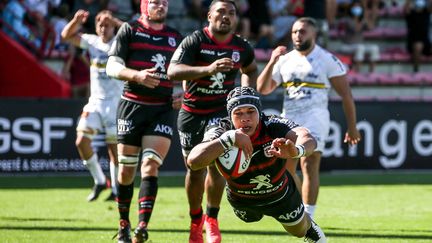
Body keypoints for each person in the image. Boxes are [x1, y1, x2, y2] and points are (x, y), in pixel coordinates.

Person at [167, 1, 258, 242]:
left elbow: (250, 68)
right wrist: (208, 69)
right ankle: (195, 219)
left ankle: (212, 219)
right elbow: (172, 71)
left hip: (220, 114)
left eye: (231, 13)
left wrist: (246, 97)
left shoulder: (241, 46)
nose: (226, 17)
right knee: (194, 169)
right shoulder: (195, 41)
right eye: (221, 12)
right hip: (192, 114)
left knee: (217, 165)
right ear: (209, 16)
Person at [187, 86, 327, 243]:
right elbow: (193, 161)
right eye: (238, 113)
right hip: (242, 200)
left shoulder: (272, 124)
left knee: (299, 231)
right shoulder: (221, 129)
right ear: (230, 116)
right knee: (251, 218)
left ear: (259, 112)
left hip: (280, 195)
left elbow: (307, 137)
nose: (245, 118)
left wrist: (297, 151)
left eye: (250, 111)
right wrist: (228, 140)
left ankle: (310, 228)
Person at [257, 17, 361, 220]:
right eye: (295, 32)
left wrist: (352, 126)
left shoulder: (327, 60)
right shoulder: (285, 60)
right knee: (287, 169)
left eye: (303, 31)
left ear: (314, 34)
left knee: (310, 163)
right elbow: (263, 88)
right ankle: (297, 210)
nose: (298, 35)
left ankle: (309, 215)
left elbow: (346, 94)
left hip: (316, 118)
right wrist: (271, 62)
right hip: (290, 120)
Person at [105, 0, 183, 242]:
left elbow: (186, 72)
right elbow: (112, 66)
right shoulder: (129, 30)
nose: (160, 6)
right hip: (132, 107)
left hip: (162, 109)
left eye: (164, 2)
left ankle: (141, 227)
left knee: (150, 166)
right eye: (155, 2)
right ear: (144, 6)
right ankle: (123, 224)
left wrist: (182, 91)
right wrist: (137, 75)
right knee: (127, 171)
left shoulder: (175, 37)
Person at [61, 9, 123, 201]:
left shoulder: (120, 42)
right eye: (101, 25)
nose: (104, 29)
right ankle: (99, 180)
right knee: (81, 141)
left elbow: (133, 32)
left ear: (113, 27)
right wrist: (76, 20)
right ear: (96, 27)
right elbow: (65, 36)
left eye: (107, 25)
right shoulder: (92, 41)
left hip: (115, 103)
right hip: (95, 102)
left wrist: (115, 20)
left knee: (114, 151)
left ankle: (116, 190)